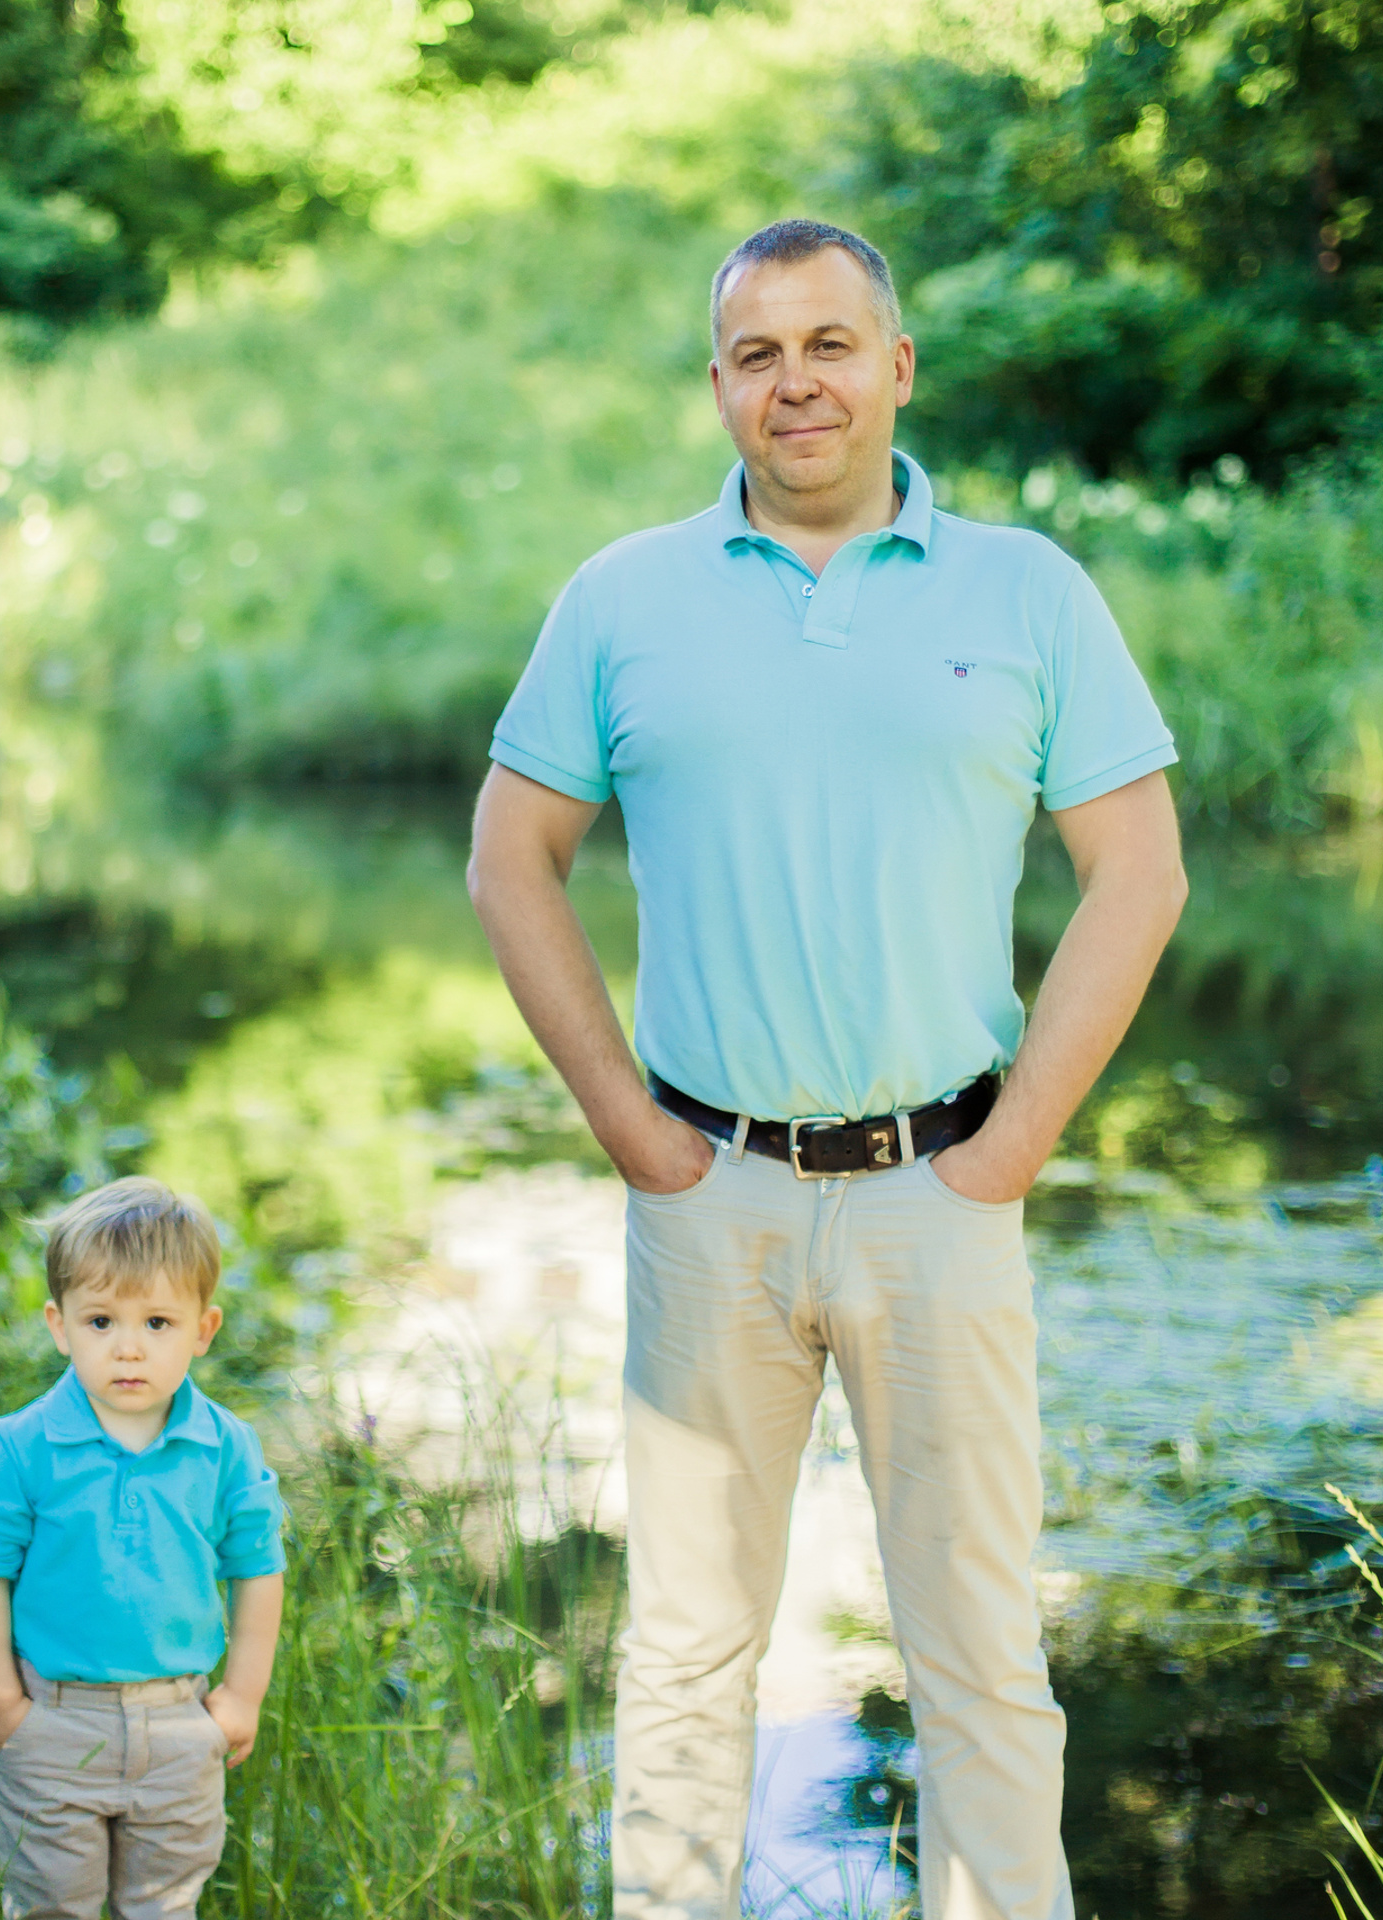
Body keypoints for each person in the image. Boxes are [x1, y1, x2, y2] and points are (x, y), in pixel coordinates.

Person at [466, 218, 1187, 1920]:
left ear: (896, 367)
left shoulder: (1028, 592)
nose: (798, 380)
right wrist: (630, 1131)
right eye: (758, 352)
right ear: (717, 384)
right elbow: (512, 857)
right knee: (686, 1652)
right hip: (705, 1196)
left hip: (942, 1192)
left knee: (981, 1651)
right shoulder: (621, 597)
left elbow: (1139, 873)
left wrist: (1008, 1156)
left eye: (831, 344)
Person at [0, 1176, 286, 1920]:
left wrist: (243, 1695)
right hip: (55, 1719)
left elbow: (258, 1569)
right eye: (101, 1321)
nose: (128, 1348)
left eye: (158, 1323)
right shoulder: (26, 1445)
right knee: (49, 1906)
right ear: (59, 1324)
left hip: (179, 1722)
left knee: (165, 1905)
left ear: (203, 1329)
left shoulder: (224, 1447)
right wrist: (1, 1701)